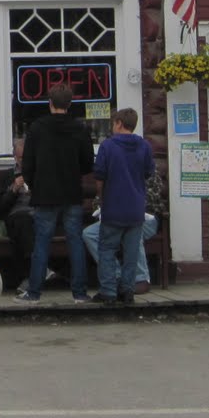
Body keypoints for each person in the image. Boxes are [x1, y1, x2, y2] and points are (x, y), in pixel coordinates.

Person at [17, 84, 95, 304]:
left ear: (49, 102)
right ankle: (79, 293)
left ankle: (34, 292)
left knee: (41, 243)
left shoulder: (37, 128)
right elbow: (88, 163)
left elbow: (28, 164)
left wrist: (34, 184)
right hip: (71, 192)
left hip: (45, 193)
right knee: (75, 242)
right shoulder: (79, 128)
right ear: (69, 104)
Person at [91, 107, 154, 306]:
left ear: (119, 123)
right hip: (136, 207)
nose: (112, 127)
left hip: (114, 206)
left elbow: (99, 176)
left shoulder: (108, 146)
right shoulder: (144, 146)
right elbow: (148, 173)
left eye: (113, 123)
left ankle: (108, 292)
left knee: (107, 249)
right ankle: (128, 291)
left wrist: (101, 197)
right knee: (132, 251)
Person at [83, 169, 164, 294]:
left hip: (146, 218)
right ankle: (116, 276)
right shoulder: (112, 171)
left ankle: (140, 278)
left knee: (134, 228)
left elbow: (150, 200)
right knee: (89, 233)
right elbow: (97, 201)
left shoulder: (147, 168)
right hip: (115, 217)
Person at [0, 138, 36, 290]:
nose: (24, 161)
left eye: (27, 157)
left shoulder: (40, 173)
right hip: (15, 217)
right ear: (15, 157)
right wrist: (13, 190)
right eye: (20, 158)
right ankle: (36, 272)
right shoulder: (7, 176)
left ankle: (30, 276)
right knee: (21, 222)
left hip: (37, 215)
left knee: (26, 224)